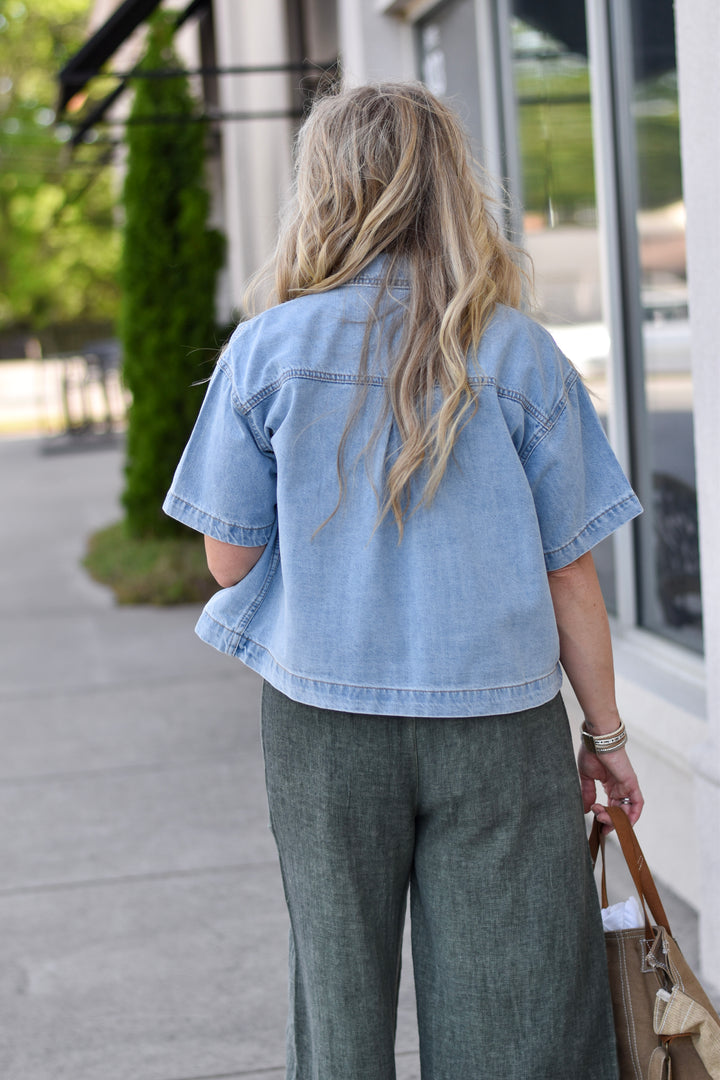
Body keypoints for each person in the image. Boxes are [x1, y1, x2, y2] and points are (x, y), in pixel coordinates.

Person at [164, 82, 643, 1080]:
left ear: (325, 192)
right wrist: (603, 738)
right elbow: (573, 577)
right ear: (453, 189)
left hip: (324, 717)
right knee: (516, 1017)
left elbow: (229, 559)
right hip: (499, 725)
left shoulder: (268, 350)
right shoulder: (519, 354)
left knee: (337, 1007)